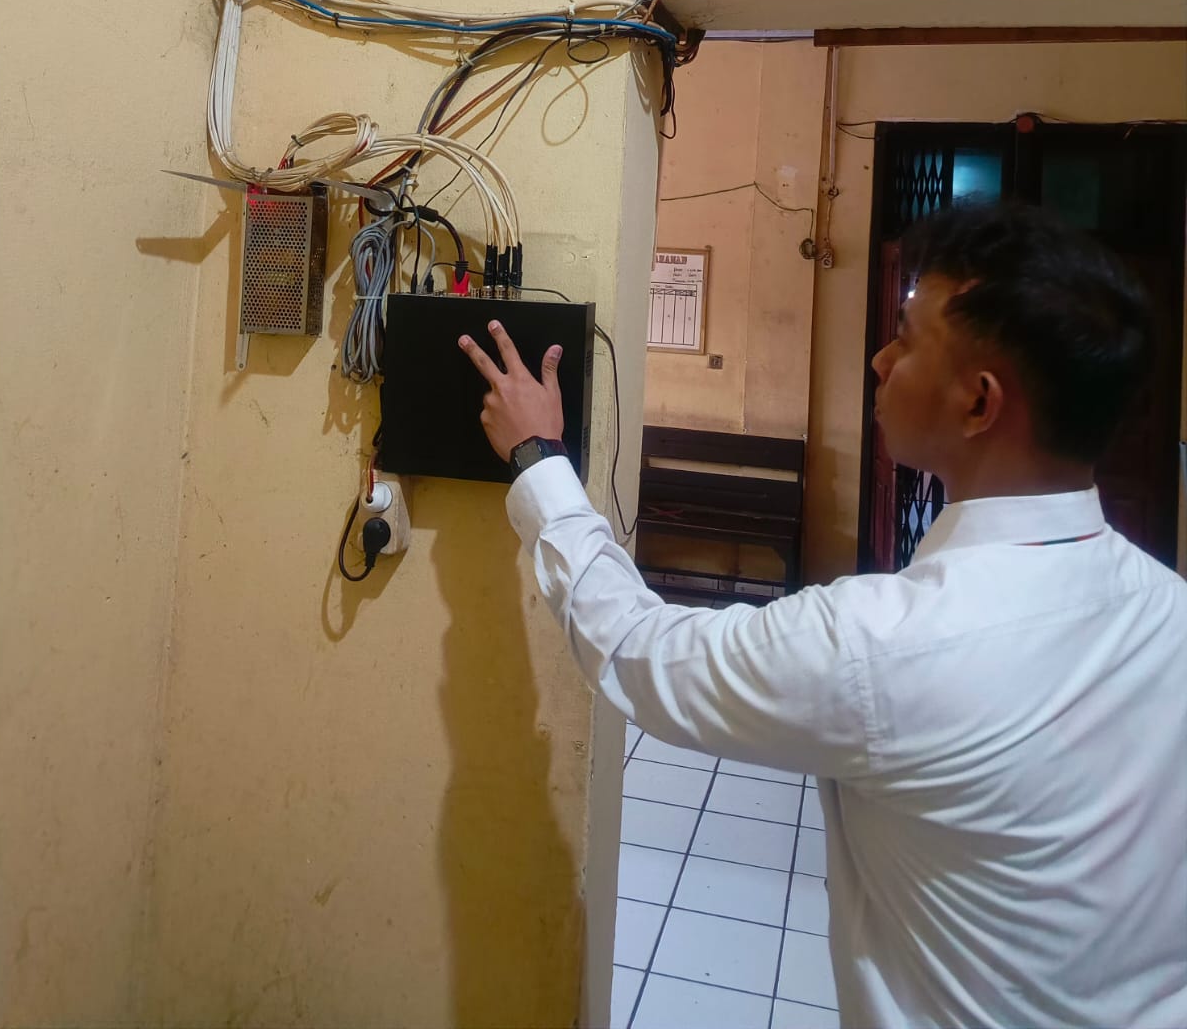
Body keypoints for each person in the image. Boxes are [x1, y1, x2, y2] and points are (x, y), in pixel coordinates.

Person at [458, 201, 1187, 1029]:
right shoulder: (1167, 612)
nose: (881, 360)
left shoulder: (890, 647)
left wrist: (538, 457)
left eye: (906, 340)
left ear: (979, 404)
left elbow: (639, 651)